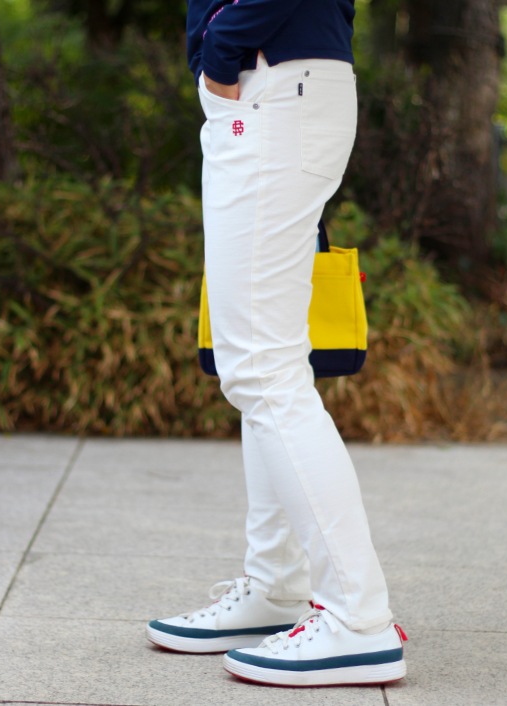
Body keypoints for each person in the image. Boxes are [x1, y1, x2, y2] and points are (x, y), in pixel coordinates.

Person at [146, 0, 407, 687]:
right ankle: (277, 586)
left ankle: (357, 619)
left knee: (262, 370)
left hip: (270, 87)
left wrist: (220, 52)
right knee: (268, 364)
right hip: (275, 89)